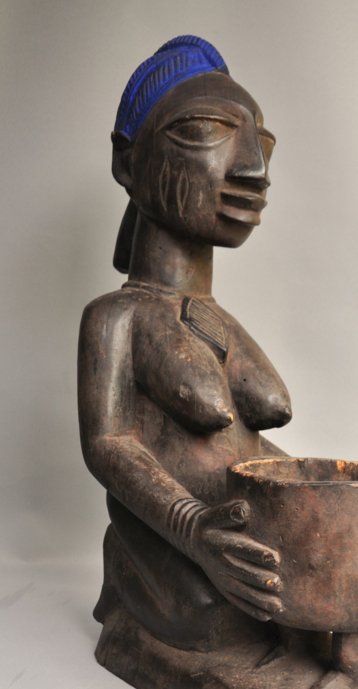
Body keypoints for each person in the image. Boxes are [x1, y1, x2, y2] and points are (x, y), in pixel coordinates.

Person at [78, 36, 292, 652]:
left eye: (262, 143)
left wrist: (312, 495)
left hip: (238, 534)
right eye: (206, 132)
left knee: (316, 597)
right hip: (173, 543)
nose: (253, 169)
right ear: (128, 163)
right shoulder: (115, 317)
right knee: (223, 623)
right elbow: (108, 445)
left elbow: (252, 444)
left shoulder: (218, 321)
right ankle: (130, 575)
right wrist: (193, 528)